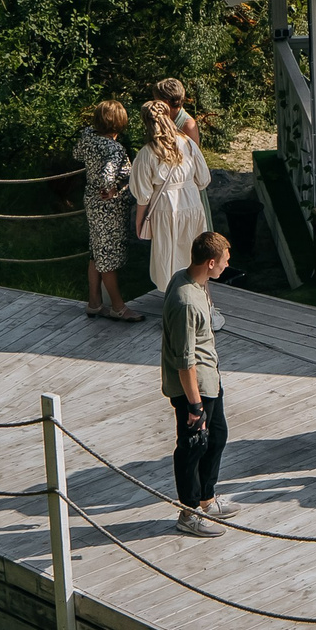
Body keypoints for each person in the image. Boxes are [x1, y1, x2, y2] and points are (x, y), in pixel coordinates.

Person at [162, 230, 234, 537]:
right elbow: (184, 361)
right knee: (192, 446)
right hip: (194, 388)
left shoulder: (192, 281)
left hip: (209, 380)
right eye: (225, 262)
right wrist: (194, 406)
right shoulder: (186, 301)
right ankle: (189, 512)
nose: (227, 267)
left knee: (216, 437)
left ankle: (207, 497)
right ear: (211, 262)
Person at [130, 98, 215, 314]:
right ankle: (202, 303)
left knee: (170, 258)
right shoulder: (188, 144)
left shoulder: (147, 153)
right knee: (196, 254)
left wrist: (139, 223)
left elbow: (143, 196)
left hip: (167, 208)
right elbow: (204, 179)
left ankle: (178, 309)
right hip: (193, 203)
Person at [74, 101, 141, 322]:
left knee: (96, 252)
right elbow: (107, 176)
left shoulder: (88, 137)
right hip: (108, 210)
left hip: (92, 202)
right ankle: (118, 307)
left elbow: (76, 154)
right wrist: (110, 189)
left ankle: (94, 303)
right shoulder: (114, 148)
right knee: (108, 257)